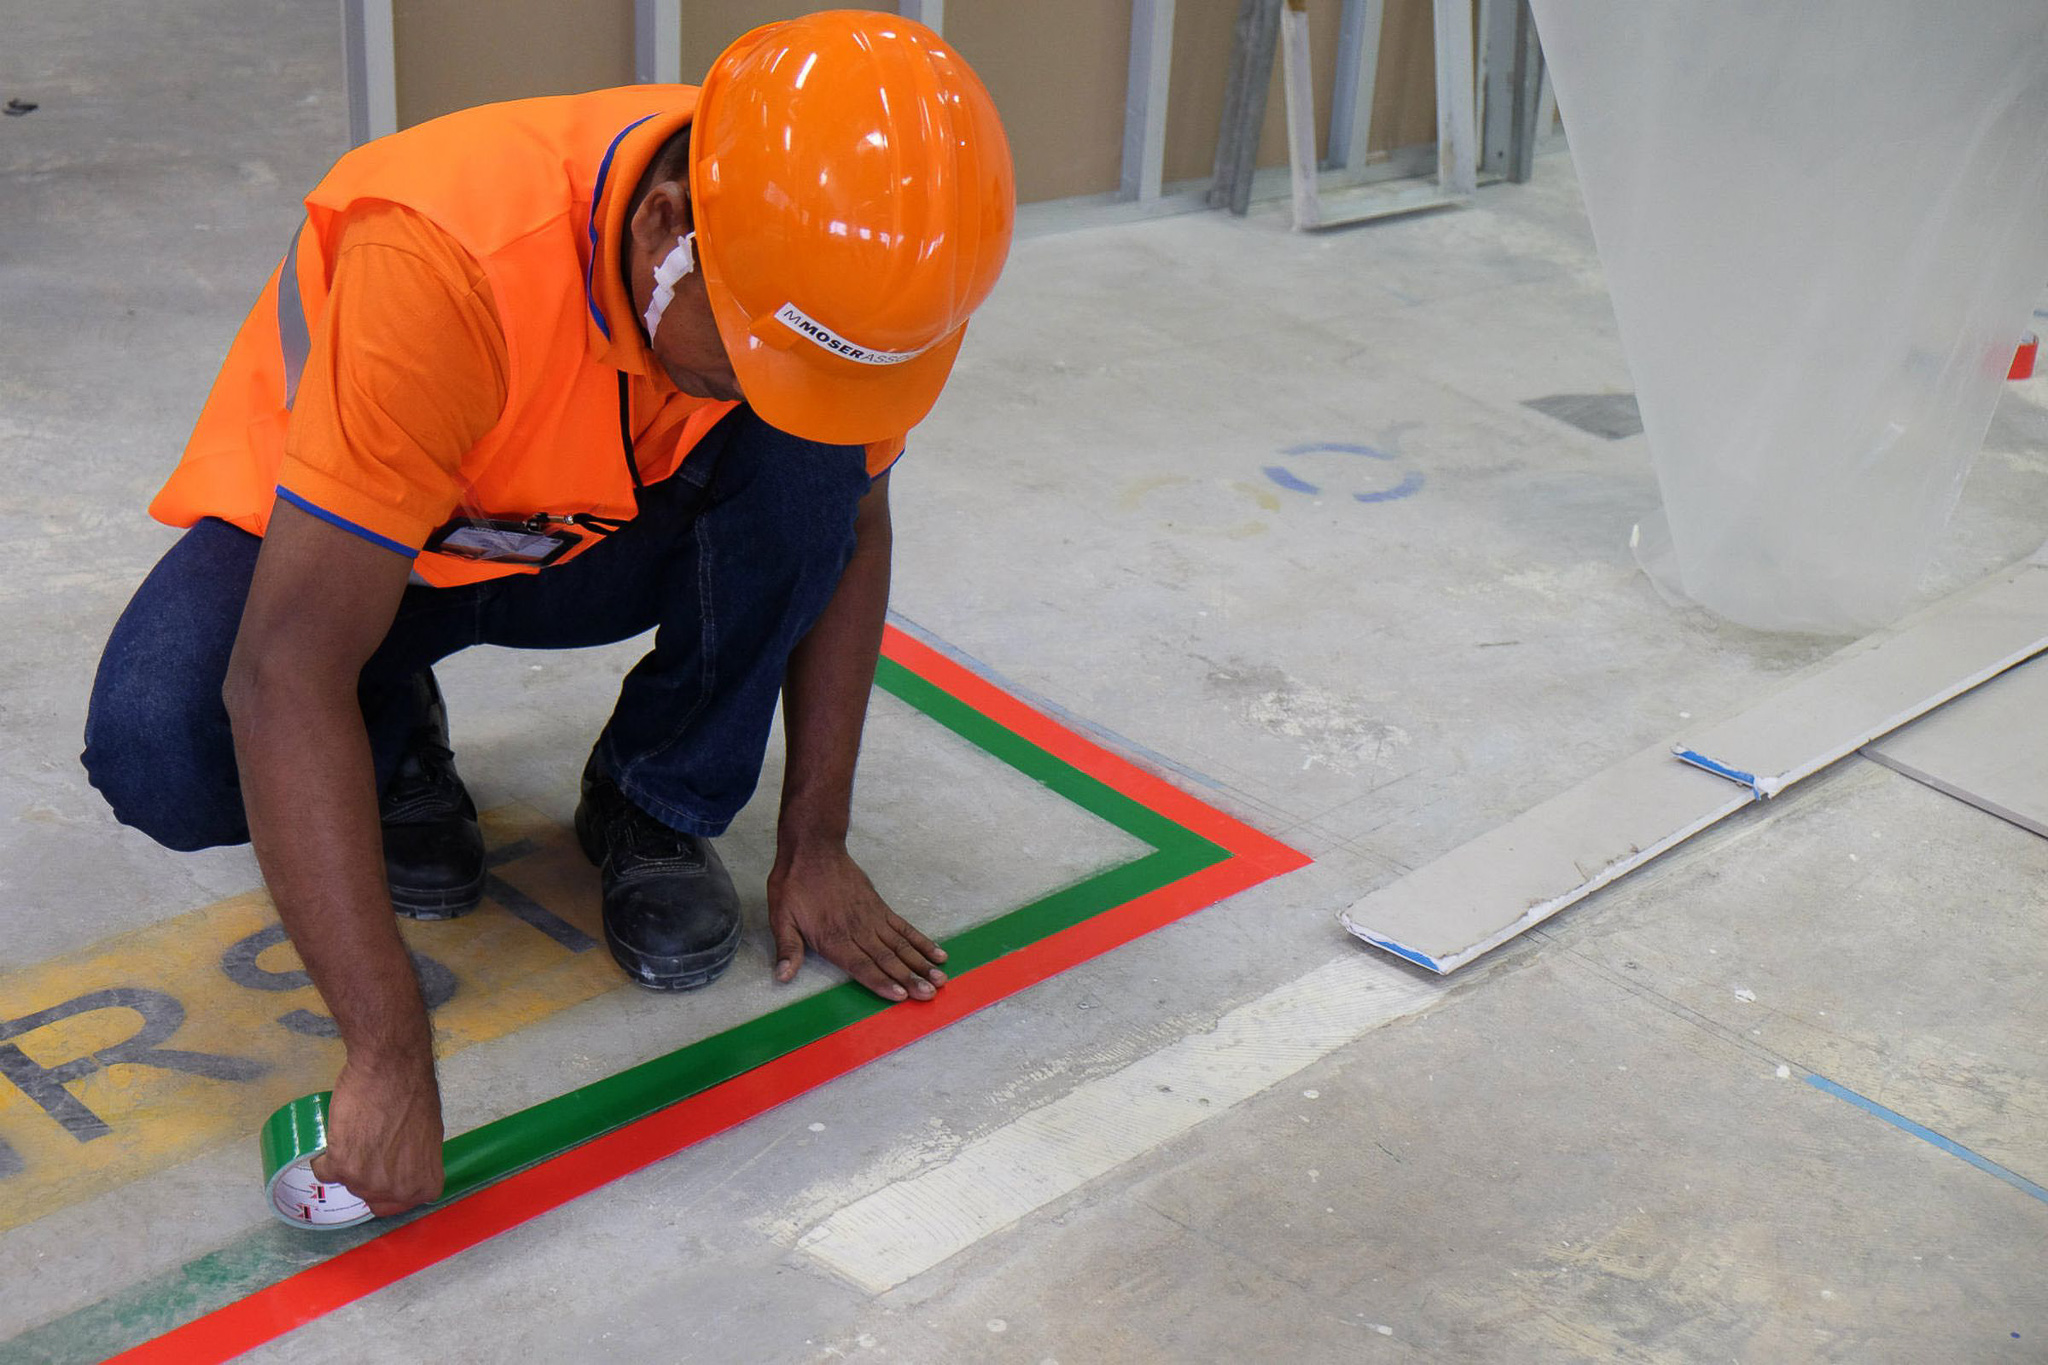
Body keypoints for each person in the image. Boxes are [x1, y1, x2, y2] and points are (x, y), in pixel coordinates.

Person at [80, 11, 1014, 1217]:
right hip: (352, 553)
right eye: (747, 361)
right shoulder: (445, 257)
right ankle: (387, 731)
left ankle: (654, 799)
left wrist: (816, 839)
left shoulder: (862, 271)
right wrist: (388, 1053)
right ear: (664, 229)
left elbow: (853, 530)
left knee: (809, 470)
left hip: (578, 531)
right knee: (165, 744)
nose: (771, 389)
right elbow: (283, 669)